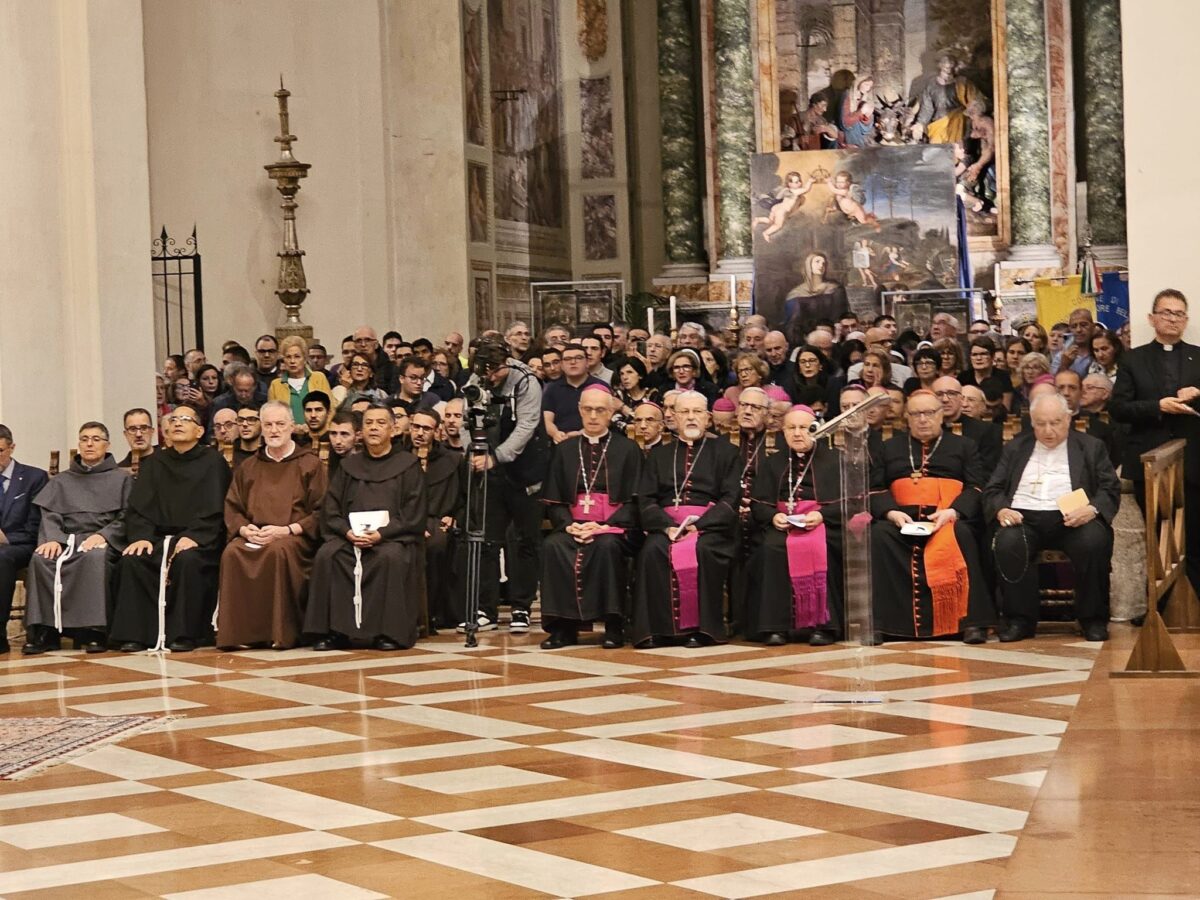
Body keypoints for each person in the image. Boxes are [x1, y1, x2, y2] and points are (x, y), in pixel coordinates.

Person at [986, 393, 1121, 642]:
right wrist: (1002, 509)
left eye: (1055, 422)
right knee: (1008, 543)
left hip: (1074, 519)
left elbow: (1109, 488)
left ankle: (1092, 619)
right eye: (1041, 424)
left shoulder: (1090, 446)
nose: (1049, 430)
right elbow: (993, 489)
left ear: (1068, 419)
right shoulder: (1016, 447)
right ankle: (1019, 620)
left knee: (1093, 542)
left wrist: (1091, 509)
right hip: (1024, 518)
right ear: (1032, 423)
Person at [869, 390, 993, 644]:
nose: (923, 419)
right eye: (916, 414)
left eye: (929, 413)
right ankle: (884, 624)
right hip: (902, 521)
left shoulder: (964, 446)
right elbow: (874, 487)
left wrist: (953, 512)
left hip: (946, 519)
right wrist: (891, 513)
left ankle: (968, 622)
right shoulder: (888, 447)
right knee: (879, 535)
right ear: (906, 418)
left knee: (962, 534)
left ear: (940, 415)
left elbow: (977, 487)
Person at [108, 406, 231, 652]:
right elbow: (139, 509)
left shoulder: (213, 462)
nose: (177, 423)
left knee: (187, 561)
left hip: (198, 540)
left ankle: (185, 634)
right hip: (156, 538)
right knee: (132, 560)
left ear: (199, 430)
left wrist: (195, 536)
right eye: (173, 419)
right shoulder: (154, 463)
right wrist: (141, 537)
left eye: (185, 419)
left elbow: (217, 509)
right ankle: (137, 634)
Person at [305, 404, 426, 650]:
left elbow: (414, 512)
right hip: (351, 537)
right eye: (369, 423)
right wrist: (346, 532)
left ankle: (388, 632)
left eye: (381, 423)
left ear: (393, 430)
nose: (373, 428)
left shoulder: (408, 464)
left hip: (392, 538)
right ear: (361, 431)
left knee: (389, 558)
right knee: (328, 555)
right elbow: (332, 508)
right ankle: (335, 632)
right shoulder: (349, 466)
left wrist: (382, 534)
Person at [1110, 288, 1200, 595]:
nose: (1172, 319)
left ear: (1185, 320)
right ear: (1152, 318)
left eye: (1179, 314)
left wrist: (1198, 395)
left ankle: (1195, 603)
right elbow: (1119, 408)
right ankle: (1158, 607)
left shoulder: (1199, 356)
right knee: (1158, 536)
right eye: (1166, 312)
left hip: (1193, 461)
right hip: (1149, 460)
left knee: (1195, 535)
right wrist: (1157, 406)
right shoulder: (1133, 360)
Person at [632, 391, 739, 648]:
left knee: (702, 550)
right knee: (652, 551)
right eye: (685, 412)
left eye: (697, 412)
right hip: (667, 527)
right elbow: (646, 499)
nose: (691, 418)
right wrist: (665, 526)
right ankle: (657, 631)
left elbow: (731, 498)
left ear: (708, 418)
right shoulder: (659, 455)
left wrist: (698, 526)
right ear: (674, 418)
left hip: (710, 529)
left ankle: (701, 630)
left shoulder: (727, 452)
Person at [539, 385, 642, 649]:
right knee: (554, 545)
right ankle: (564, 627)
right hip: (573, 525)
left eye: (600, 410)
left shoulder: (628, 449)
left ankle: (613, 625)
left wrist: (605, 525)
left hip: (614, 527)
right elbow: (555, 500)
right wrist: (569, 524)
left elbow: (635, 500)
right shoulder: (565, 449)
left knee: (607, 547)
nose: (593, 416)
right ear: (579, 411)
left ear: (610, 413)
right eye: (588, 409)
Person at [217, 402, 327, 650]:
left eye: (280, 424)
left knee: (278, 552)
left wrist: (287, 530)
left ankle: (280, 633)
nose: (274, 430)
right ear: (261, 429)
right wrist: (245, 529)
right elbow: (233, 506)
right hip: (255, 533)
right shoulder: (249, 466)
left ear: (291, 427)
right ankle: (239, 634)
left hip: (294, 538)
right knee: (233, 553)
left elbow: (322, 511)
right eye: (268, 425)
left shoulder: (310, 464)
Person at [455, 340, 548, 633]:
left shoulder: (526, 382)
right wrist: (474, 451)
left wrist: (496, 457)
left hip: (523, 469)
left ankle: (521, 607)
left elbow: (526, 426)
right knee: (486, 540)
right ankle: (485, 608)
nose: (490, 376)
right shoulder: (477, 379)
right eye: (485, 370)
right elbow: (465, 421)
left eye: (495, 370)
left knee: (524, 541)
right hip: (489, 470)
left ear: (507, 361)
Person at [21, 423, 128, 654]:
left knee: (94, 558)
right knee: (41, 559)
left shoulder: (122, 479)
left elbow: (127, 516)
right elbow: (50, 514)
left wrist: (103, 535)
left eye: (96, 439)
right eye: (84, 439)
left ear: (107, 445)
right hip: (65, 539)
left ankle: (94, 631)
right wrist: (52, 539)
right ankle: (45, 630)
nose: (89, 444)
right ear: (78, 444)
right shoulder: (62, 480)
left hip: (100, 540)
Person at [746, 405, 843, 645]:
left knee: (823, 547)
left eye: (803, 427)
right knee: (772, 548)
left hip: (823, 523)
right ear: (783, 431)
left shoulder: (835, 460)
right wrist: (772, 516)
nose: (798, 433)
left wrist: (823, 515)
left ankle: (822, 625)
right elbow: (758, 503)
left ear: (816, 430)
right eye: (791, 428)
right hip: (783, 524)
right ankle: (776, 627)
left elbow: (852, 501)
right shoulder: (772, 462)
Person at [722, 386, 779, 634]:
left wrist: (755, 504)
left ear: (767, 414)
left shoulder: (778, 443)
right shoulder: (722, 442)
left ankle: (761, 621)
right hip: (729, 513)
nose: (747, 411)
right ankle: (731, 618)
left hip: (764, 514)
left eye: (755, 407)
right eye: (743, 405)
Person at [409, 407, 459, 630]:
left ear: (437, 432)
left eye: (426, 428)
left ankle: (434, 612)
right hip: (404, 520)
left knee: (437, 544)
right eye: (416, 427)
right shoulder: (398, 457)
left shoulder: (453, 460)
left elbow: (464, 497)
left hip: (437, 520)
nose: (420, 433)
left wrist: (456, 517)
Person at [933, 376, 1002, 474]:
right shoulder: (927, 430)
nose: (945, 399)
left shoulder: (986, 430)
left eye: (951, 394)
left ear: (961, 398)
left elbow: (987, 472)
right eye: (939, 394)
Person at [543, 343, 605, 443]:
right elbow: (547, 419)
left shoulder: (600, 387)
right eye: (567, 359)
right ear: (562, 365)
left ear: (587, 362)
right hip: (560, 442)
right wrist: (555, 433)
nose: (573, 362)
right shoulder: (552, 389)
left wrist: (583, 433)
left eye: (579, 358)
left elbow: (607, 418)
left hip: (594, 441)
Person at [268, 335, 333, 424]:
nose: (292, 361)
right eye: (288, 357)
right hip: (288, 434)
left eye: (297, 356)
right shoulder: (276, 385)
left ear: (305, 358)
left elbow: (331, 409)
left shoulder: (319, 378)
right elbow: (272, 416)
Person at [1051, 308, 1096, 376]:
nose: (1078, 330)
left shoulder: (1100, 351)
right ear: (1070, 329)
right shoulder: (1061, 356)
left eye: (1083, 325)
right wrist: (1064, 365)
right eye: (1074, 326)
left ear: (1093, 327)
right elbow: (1055, 384)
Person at [325, 410, 359, 477]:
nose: (338, 441)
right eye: (333, 434)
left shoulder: (365, 465)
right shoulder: (328, 460)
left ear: (357, 436)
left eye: (344, 434)